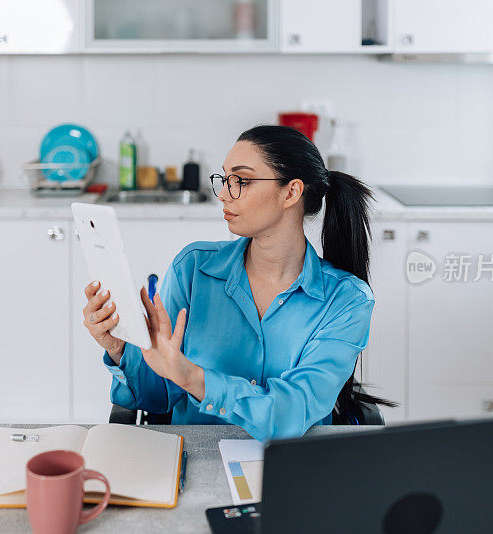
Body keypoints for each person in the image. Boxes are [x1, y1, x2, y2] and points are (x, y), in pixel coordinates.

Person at [83, 125, 378, 442]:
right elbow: (155, 397)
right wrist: (117, 348)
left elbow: (293, 411)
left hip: (293, 469)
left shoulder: (347, 301)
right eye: (224, 179)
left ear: (291, 192)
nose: (224, 193)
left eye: (242, 181)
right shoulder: (194, 270)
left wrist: (196, 379)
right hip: (195, 463)